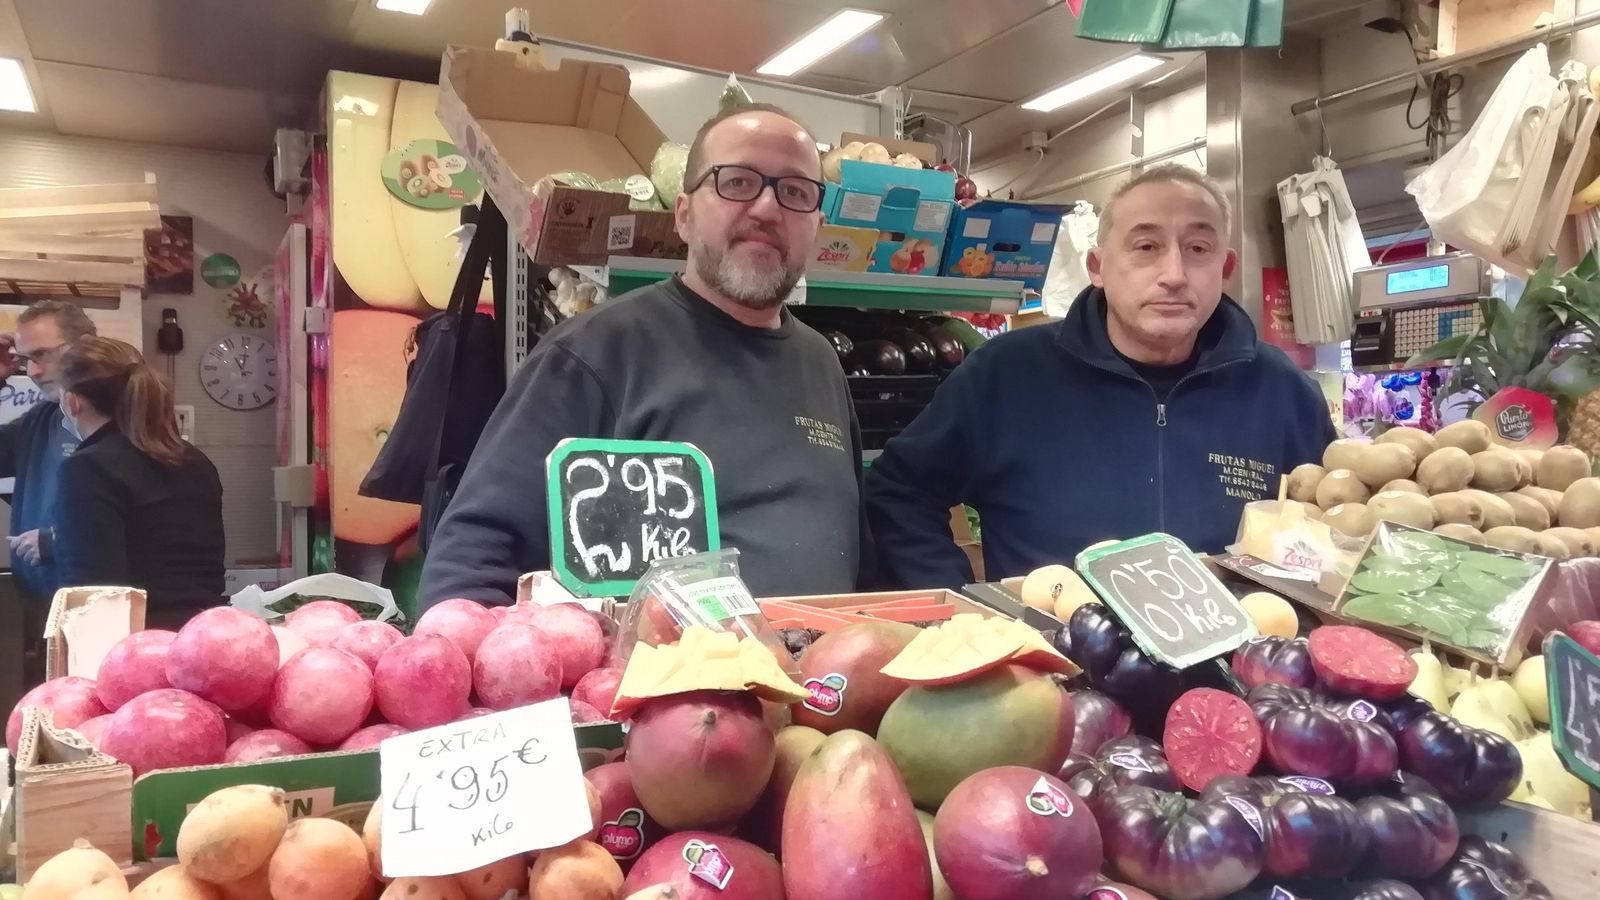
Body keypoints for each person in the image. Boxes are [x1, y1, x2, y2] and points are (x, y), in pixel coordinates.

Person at [419, 103, 867, 607]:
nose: (767, 209)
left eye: (795, 192)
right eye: (737, 182)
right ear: (683, 215)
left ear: (817, 226)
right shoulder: (591, 355)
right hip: (652, 682)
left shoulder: (820, 362)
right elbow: (471, 562)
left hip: (819, 679)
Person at [866, 164, 1336, 588]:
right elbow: (899, 491)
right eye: (1146, 247)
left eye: (1197, 248)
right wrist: (961, 602)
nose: (1173, 273)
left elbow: (1331, 529)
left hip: (1244, 669)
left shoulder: (1283, 392)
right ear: (1097, 267)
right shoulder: (1007, 375)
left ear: (1225, 269)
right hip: (1055, 669)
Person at [53, 337, 225, 629]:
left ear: (72, 402)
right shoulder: (197, 461)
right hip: (205, 634)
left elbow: (94, 596)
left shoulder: (87, 469)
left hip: (137, 648)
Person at [0, 301, 98, 602]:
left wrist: (55, 542)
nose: (32, 371)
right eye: (24, 359)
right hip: (42, 603)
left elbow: (144, 523)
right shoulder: (42, 419)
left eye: (41, 355)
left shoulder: (122, 418)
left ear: (85, 347)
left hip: (98, 607)